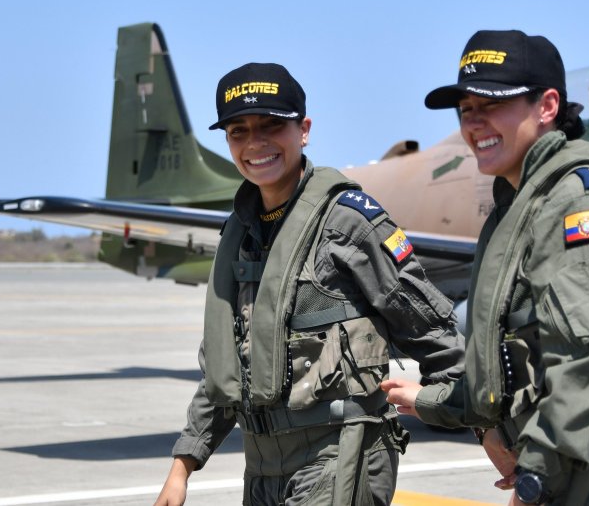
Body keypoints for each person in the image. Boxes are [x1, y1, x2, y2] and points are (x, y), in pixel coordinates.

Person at [381, 30, 589, 505]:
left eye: (492, 105)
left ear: (547, 106)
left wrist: (539, 471)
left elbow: (588, 357)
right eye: (466, 110)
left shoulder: (576, 200)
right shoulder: (520, 204)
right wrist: (428, 400)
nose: (475, 124)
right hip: (585, 462)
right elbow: (511, 367)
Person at [154, 62, 467, 506]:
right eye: (238, 131)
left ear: (304, 130)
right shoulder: (241, 235)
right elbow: (227, 367)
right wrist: (183, 466)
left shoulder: (348, 222)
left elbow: (429, 327)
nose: (255, 143)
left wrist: (478, 421)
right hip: (262, 466)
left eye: (270, 126)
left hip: (336, 455)